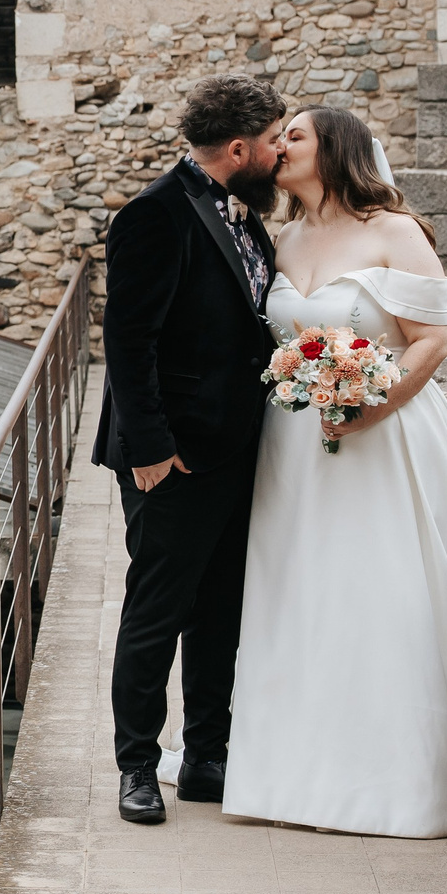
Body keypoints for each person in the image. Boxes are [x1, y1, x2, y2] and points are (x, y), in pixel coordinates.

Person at [222, 106, 447, 836]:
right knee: (302, 599)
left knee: (379, 592)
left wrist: (369, 404)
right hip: (293, 449)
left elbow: (432, 341)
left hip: (382, 437)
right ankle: (294, 772)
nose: (278, 146)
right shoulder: (280, 237)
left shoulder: (395, 231)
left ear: (338, 149)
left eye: (294, 135)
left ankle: (402, 781)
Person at [95, 74, 287, 825]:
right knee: (157, 609)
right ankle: (137, 765)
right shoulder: (153, 214)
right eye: (271, 142)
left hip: (238, 445)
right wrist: (149, 449)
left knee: (220, 610)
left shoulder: (244, 212)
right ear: (238, 147)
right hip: (170, 454)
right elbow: (127, 339)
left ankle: (206, 757)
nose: (277, 154)